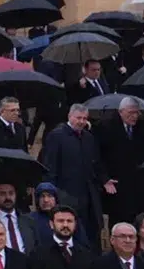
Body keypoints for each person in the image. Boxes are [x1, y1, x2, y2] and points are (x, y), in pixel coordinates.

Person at [41, 103, 115, 242]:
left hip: (89, 195)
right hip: (66, 193)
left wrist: (104, 179)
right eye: (78, 118)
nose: (81, 121)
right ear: (70, 116)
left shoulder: (89, 138)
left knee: (92, 231)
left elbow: (96, 162)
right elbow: (50, 166)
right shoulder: (56, 136)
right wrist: (51, 193)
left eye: (84, 118)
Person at [95, 97, 144, 227]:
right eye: (131, 113)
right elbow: (97, 156)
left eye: (137, 112)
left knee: (142, 219)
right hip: (117, 183)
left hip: (139, 182)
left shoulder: (140, 125)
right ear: (120, 111)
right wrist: (104, 179)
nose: (134, 116)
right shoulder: (105, 126)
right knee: (121, 221)